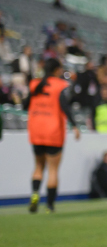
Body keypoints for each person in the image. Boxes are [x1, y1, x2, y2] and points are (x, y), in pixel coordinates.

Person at [26, 57, 80, 212]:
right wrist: (74, 125)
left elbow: (25, 104)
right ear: (57, 70)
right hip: (53, 131)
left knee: (38, 166)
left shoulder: (34, 84)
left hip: (36, 130)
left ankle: (35, 194)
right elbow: (65, 106)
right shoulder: (60, 85)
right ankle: (50, 205)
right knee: (53, 169)